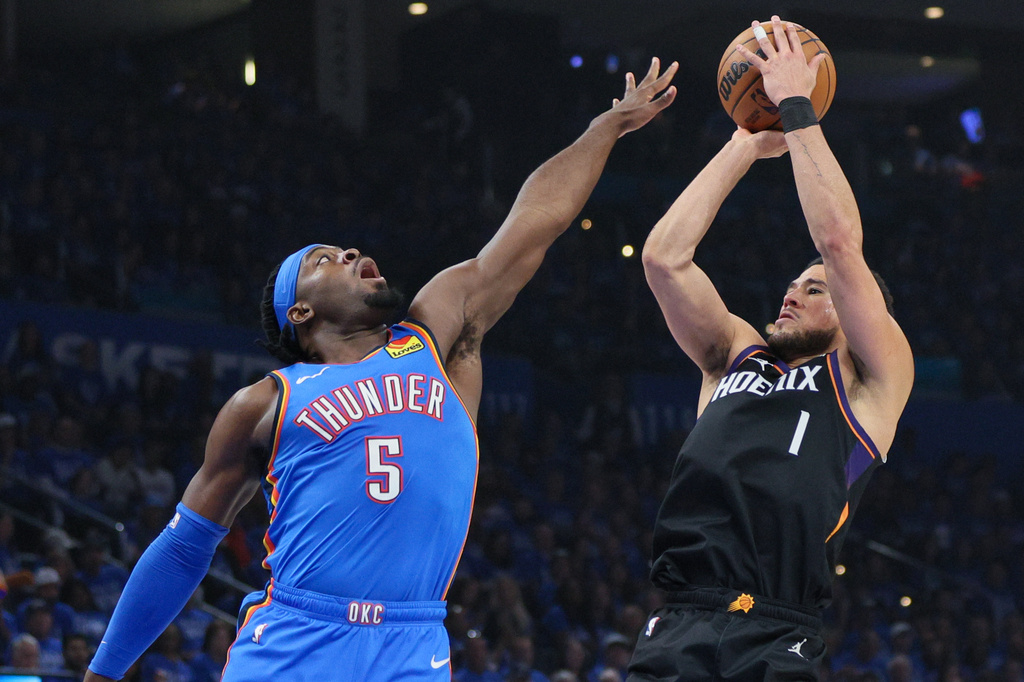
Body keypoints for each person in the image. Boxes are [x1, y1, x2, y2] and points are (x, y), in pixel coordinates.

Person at [86, 58, 678, 682]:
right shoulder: (265, 402)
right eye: (323, 259)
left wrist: (606, 125)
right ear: (301, 309)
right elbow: (183, 549)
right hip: (296, 637)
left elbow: (534, 223)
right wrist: (103, 674)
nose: (349, 252)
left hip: (412, 639)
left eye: (345, 248)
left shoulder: (436, 336)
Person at [626, 17, 914, 682]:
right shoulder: (736, 356)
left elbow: (840, 243)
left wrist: (796, 107)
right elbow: (664, 259)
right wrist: (745, 143)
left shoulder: (870, 377)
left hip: (779, 631)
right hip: (679, 621)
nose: (790, 296)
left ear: (855, 310)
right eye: (791, 284)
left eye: (812, 289)